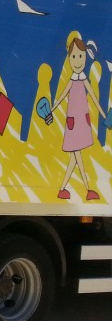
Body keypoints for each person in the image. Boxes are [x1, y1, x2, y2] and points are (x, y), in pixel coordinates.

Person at [54, 37, 103, 201]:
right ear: (69, 58)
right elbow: (61, 97)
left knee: (74, 159)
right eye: (74, 56)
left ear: (85, 57)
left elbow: (94, 98)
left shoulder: (82, 79)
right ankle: (87, 189)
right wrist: (51, 110)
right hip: (74, 124)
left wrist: (103, 115)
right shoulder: (73, 80)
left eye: (80, 56)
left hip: (81, 122)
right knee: (77, 157)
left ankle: (63, 189)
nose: (77, 60)